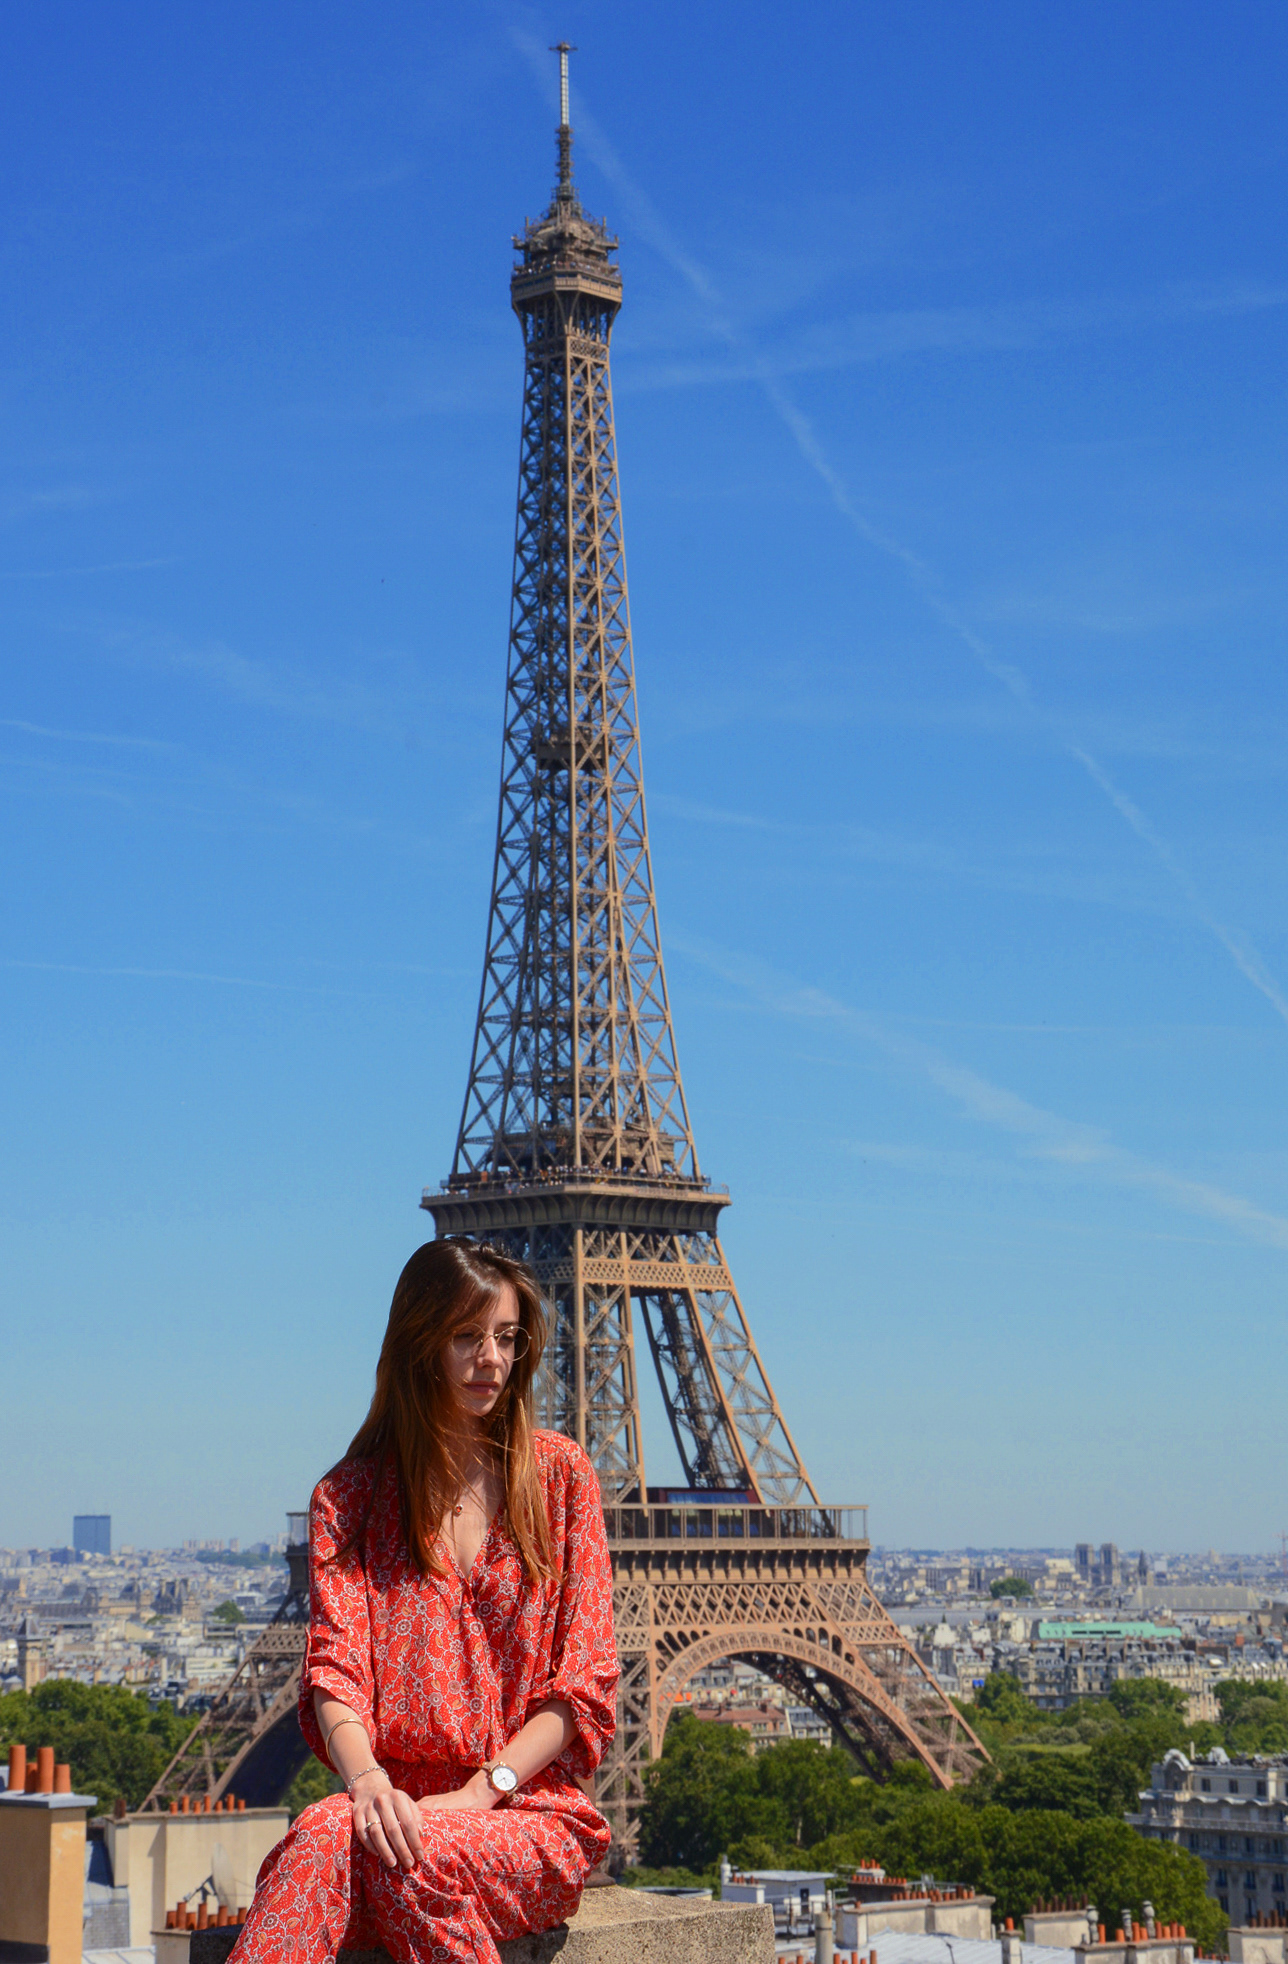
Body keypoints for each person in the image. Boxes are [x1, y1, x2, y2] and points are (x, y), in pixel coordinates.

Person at [229, 1239, 619, 1964]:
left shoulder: (562, 1477)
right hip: (388, 1809)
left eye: (506, 1337)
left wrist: (480, 1792)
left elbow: (583, 1683)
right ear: (420, 1342)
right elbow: (335, 1672)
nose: (492, 1359)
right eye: (468, 1336)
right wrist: (369, 1783)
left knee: (397, 1849)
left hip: (526, 1810)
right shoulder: (349, 1498)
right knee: (325, 1833)